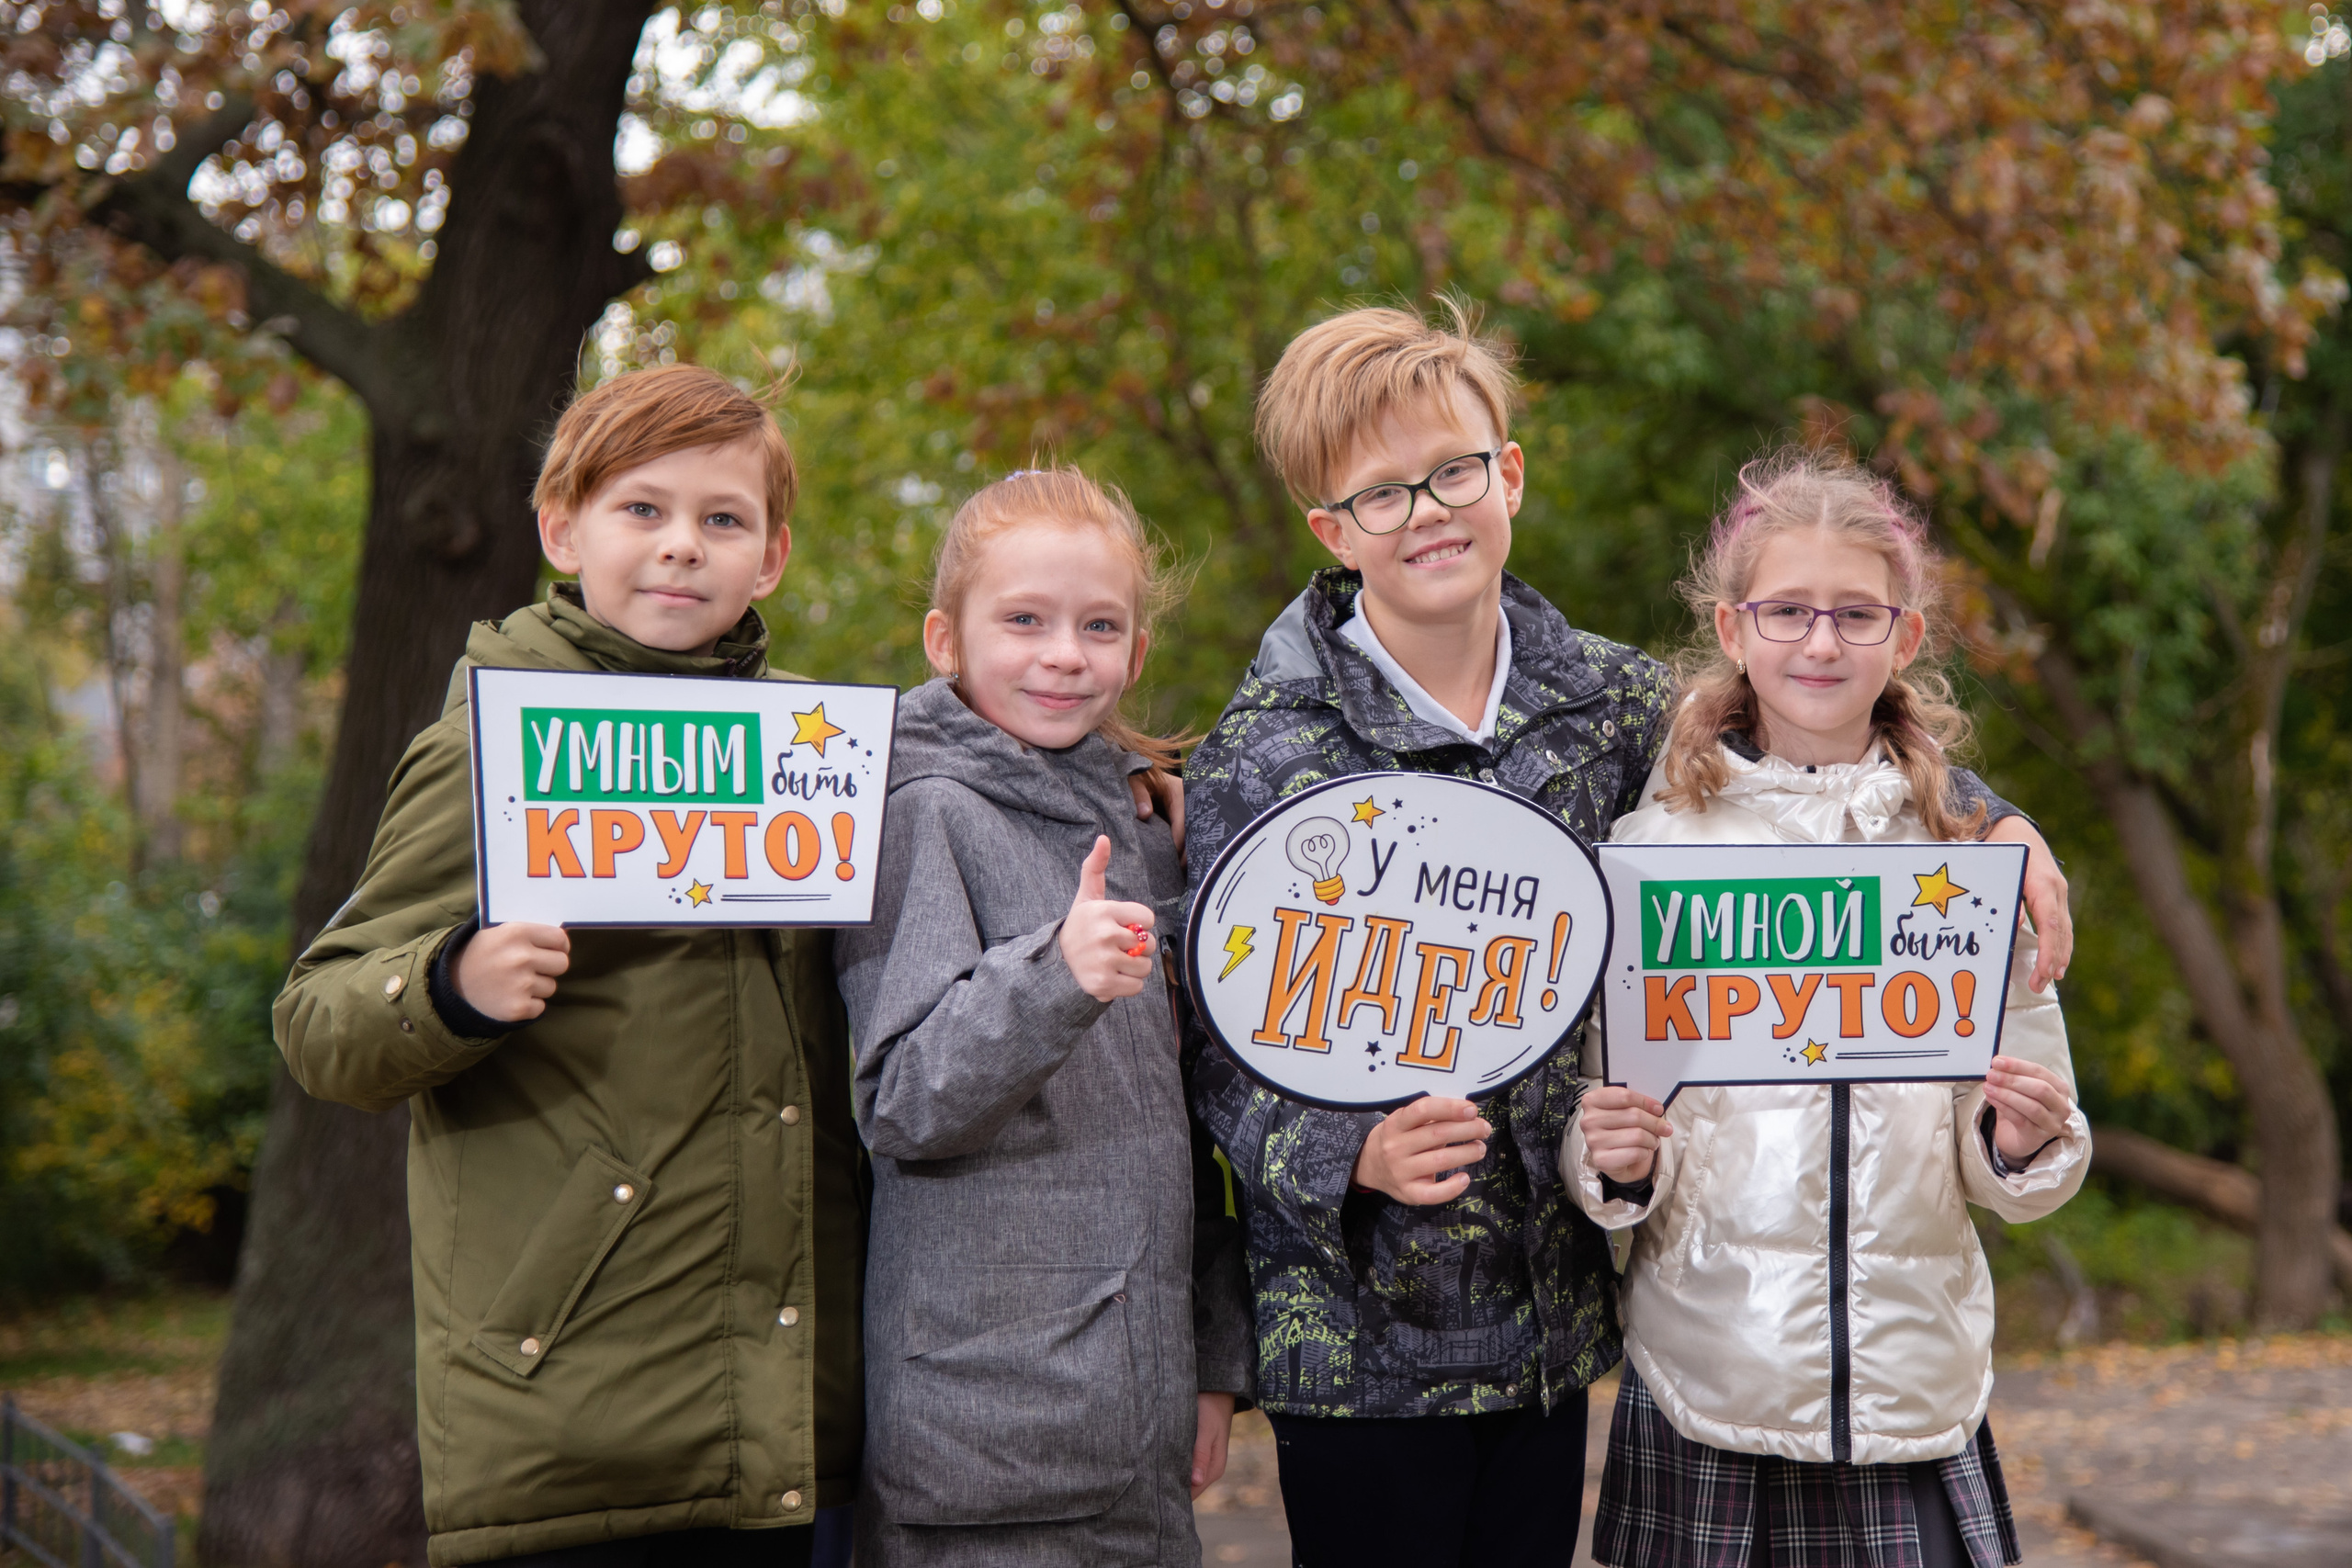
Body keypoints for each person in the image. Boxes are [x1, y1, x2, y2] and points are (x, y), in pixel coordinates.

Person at [1181, 302, 2074, 1567]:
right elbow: (1213, 1035)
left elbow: (1814, 751)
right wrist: (1347, 1151)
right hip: (1357, 1335)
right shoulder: (1263, 750)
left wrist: (1993, 820)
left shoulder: (1612, 705)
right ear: (1332, 528)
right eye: (1381, 492)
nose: (1428, 511)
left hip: (1551, 1325)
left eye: (1453, 471)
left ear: (1508, 474)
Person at [273, 365, 863, 1568]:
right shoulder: (494, 742)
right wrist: (451, 983)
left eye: (722, 518)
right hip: (569, 1422)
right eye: (642, 508)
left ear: (771, 557)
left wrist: (1121, 777)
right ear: (561, 530)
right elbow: (317, 1019)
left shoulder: (816, 756)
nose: (682, 544)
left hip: (790, 1422)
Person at [1567, 451, 2090, 1568]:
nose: (1819, 642)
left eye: (1855, 614)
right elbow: (1609, 1130)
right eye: (1788, 611)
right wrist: (1609, 1160)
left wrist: (2020, 1139)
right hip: (1708, 1380)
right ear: (1733, 628)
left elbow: (2028, 1152)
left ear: (1904, 637)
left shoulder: (1969, 862)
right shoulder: (1652, 856)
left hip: (1913, 1390)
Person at [834, 468, 1252, 1567]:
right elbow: (902, 1099)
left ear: (1136, 653)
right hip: (983, 1440)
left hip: (1140, 1421)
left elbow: (1189, 1122)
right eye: (1023, 621)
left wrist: (1213, 1362)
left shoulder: (1149, 826)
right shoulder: (918, 812)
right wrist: (1053, 976)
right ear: (945, 639)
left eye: (1098, 626)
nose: (1064, 655)